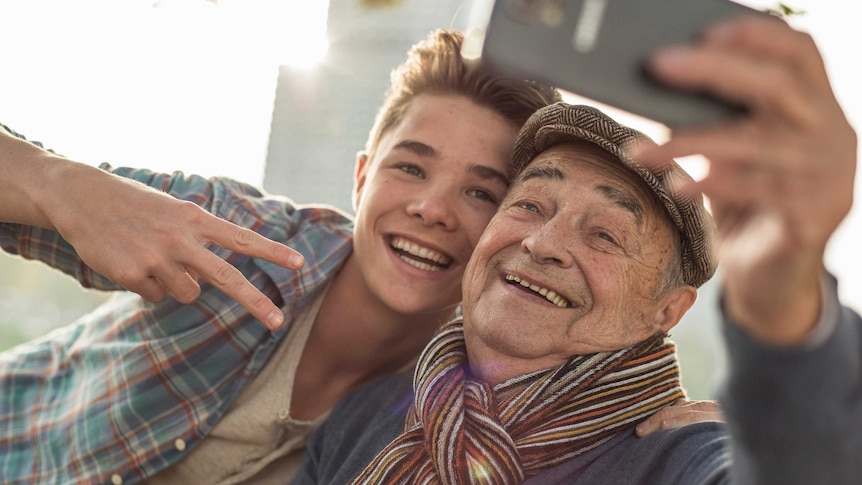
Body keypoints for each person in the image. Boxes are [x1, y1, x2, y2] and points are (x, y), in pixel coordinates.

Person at [292, 15, 861, 485]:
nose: (542, 244)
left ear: (668, 311)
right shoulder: (363, 419)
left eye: (605, 235)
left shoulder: (677, 456)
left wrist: (786, 305)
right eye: (529, 206)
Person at [0, 29, 563, 485]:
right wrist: (63, 185)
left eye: (481, 192)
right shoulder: (234, 234)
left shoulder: (471, 394)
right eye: (411, 167)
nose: (433, 209)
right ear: (362, 176)